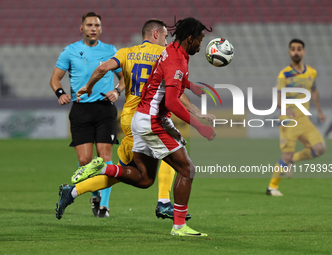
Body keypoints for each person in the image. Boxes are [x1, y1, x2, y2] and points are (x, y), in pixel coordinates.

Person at [56, 17, 216, 236]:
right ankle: (171, 213)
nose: (201, 44)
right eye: (200, 39)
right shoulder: (166, 53)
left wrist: (88, 86)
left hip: (133, 116)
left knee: (143, 178)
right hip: (151, 119)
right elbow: (172, 97)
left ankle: (91, 176)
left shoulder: (134, 52)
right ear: (157, 34)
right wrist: (198, 121)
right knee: (182, 165)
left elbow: (103, 68)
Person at [50, 12, 123, 217]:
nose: (93, 28)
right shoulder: (70, 51)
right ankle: (96, 192)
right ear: (81, 28)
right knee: (85, 161)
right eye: (89, 25)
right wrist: (61, 93)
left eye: (97, 25)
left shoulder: (110, 50)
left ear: (101, 29)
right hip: (81, 109)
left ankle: (104, 206)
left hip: (105, 109)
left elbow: (124, 77)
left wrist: (117, 90)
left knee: (105, 156)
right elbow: (55, 78)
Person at [267, 39, 326, 196]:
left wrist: (319, 111)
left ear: (303, 52)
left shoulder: (311, 72)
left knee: (319, 148)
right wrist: (286, 108)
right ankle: (272, 187)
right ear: (289, 52)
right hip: (288, 120)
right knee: (284, 156)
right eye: (293, 49)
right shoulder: (284, 74)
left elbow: (314, 91)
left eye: (299, 49)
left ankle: (293, 159)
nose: (296, 52)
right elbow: (277, 96)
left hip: (304, 120)